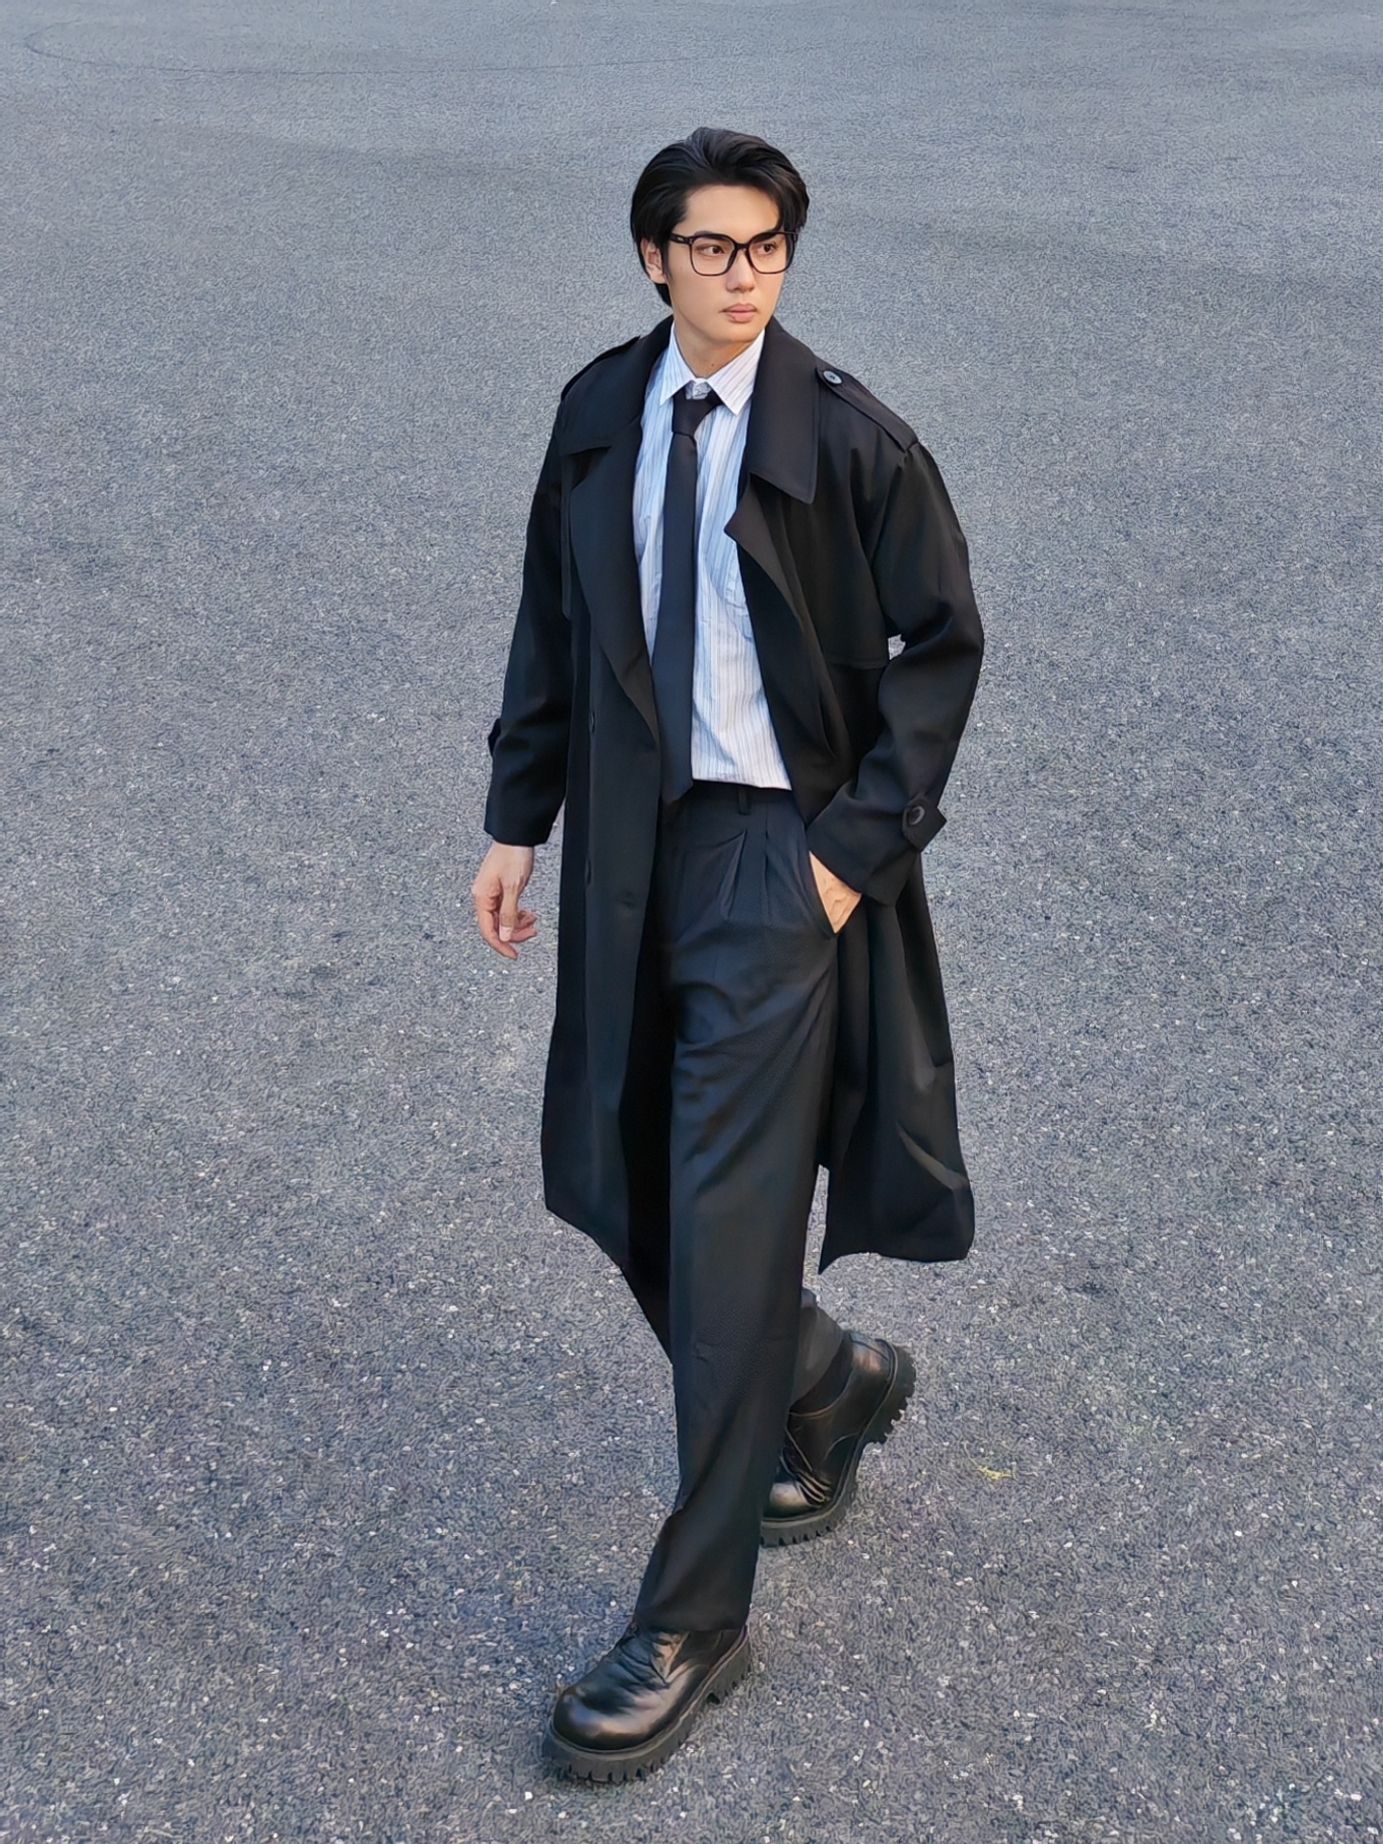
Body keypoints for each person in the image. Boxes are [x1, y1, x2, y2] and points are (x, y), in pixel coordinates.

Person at [472, 126, 985, 1781]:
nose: (743, 273)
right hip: (636, 840)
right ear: (655, 259)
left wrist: (844, 864)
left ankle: (695, 1619)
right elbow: (553, 619)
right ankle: (825, 1381)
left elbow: (944, 643)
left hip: (778, 862)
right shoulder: (598, 413)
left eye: (766, 246)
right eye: (712, 246)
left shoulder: (848, 441)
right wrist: (518, 815)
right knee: (616, 1175)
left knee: (729, 1225)